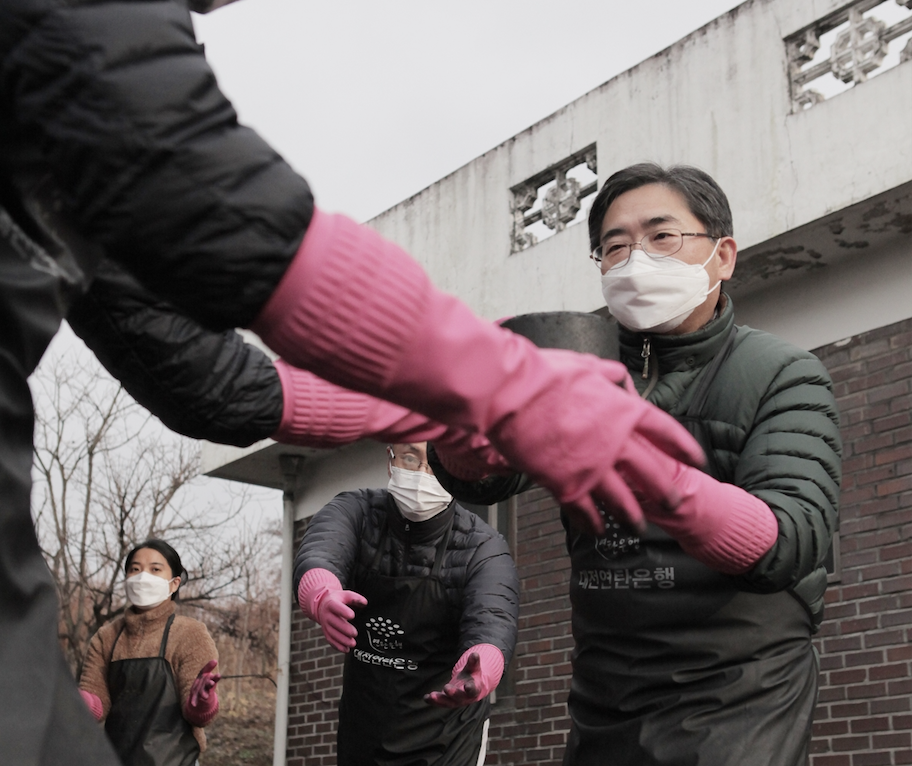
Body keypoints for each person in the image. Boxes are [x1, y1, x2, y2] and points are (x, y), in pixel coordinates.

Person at [0, 1, 704, 761]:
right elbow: (236, 218)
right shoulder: (97, 32)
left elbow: (197, 375)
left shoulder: (478, 547)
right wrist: (503, 384)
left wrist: (425, 409)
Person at [432, 164, 843, 766]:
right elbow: (482, 477)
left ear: (723, 256)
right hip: (605, 687)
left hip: (738, 691)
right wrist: (464, 419)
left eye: (662, 236)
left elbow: (793, 537)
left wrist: (643, 463)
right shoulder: (581, 360)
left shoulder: (782, 371)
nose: (635, 261)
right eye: (615, 247)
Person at [294, 442, 519, 766]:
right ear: (390, 459)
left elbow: (493, 616)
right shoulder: (356, 513)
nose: (423, 473)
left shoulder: (483, 547)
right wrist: (321, 595)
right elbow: (321, 549)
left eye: (437, 463)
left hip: (447, 741)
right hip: (364, 733)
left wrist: (482, 669)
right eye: (410, 458)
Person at [78, 540, 221, 766]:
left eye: (155, 569)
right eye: (135, 569)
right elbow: (95, 704)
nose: (143, 577)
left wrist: (202, 703)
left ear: (174, 584)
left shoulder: (189, 634)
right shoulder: (106, 637)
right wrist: (75, 699)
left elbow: (199, 717)